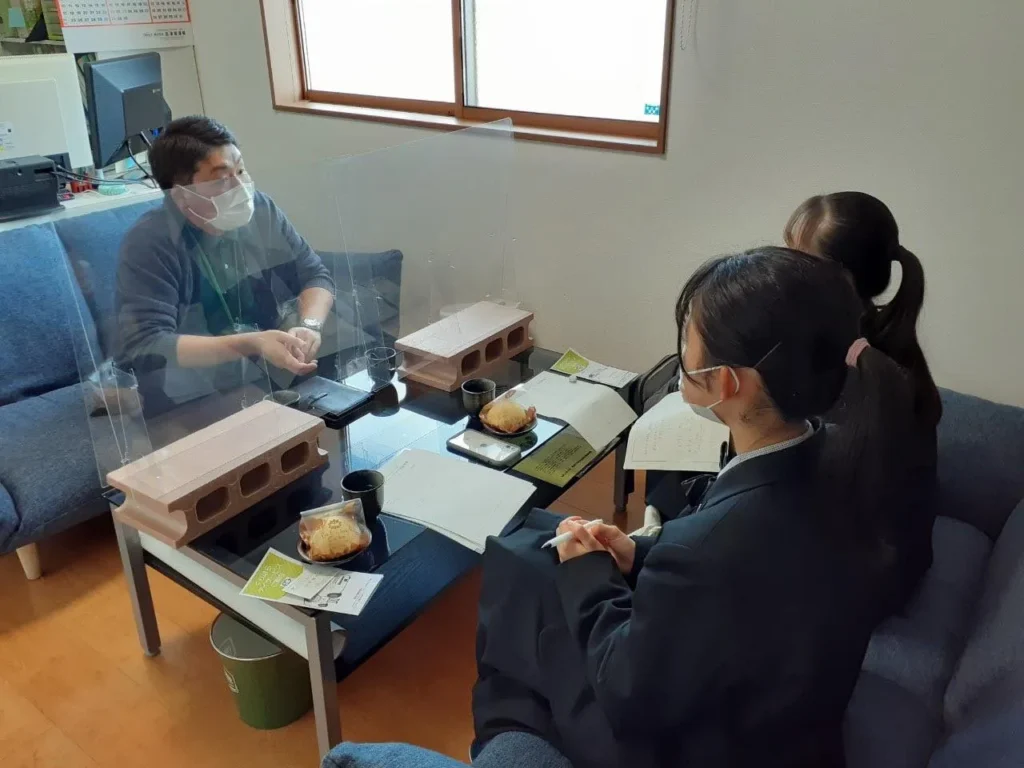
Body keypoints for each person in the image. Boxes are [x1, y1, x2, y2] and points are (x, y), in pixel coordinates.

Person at [470, 248, 906, 768]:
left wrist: (590, 571)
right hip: (781, 707)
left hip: (700, 741)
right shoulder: (843, 459)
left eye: (688, 339)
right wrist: (640, 555)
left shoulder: (705, 547)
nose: (682, 352)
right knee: (535, 544)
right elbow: (749, 585)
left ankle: (508, 728)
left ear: (728, 382)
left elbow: (627, 686)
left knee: (518, 578)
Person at [115, 116, 335, 411]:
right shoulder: (150, 242)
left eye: (241, 170)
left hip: (265, 367)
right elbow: (148, 346)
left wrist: (310, 326)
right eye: (221, 179)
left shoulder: (262, 210)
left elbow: (314, 274)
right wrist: (252, 343)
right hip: (188, 389)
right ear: (181, 195)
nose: (241, 187)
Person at [785, 191, 940, 606]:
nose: (784, 270)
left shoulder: (869, 369)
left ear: (842, 279)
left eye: (799, 260)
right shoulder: (862, 330)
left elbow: (828, 493)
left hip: (870, 574)